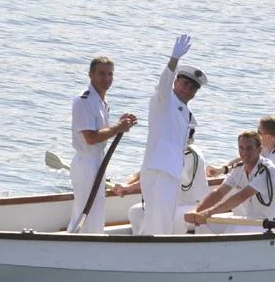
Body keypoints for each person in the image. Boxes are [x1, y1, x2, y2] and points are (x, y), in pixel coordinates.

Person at [140, 34, 208, 235]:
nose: (188, 89)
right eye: (185, 83)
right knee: (159, 219)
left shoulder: (186, 113)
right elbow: (164, 82)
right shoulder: (164, 101)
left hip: (171, 172)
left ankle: (146, 251)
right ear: (176, 82)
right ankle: (151, 254)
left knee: (160, 217)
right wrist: (173, 59)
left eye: (193, 87)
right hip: (159, 169)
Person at [67, 56, 137, 233]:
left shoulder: (101, 103)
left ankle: (92, 241)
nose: (107, 79)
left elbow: (102, 132)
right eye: (101, 74)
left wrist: (119, 125)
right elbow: (90, 138)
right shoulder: (84, 101)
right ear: (91, 75)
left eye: (110, 74)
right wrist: (117, 128)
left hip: (98, 162)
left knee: (96, 210)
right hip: (86, 163)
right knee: (85, 211)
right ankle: (75, 244)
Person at [185, 130, 275, 233]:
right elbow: (219, 193)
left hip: (272, 223)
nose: (244, 153)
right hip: (248, 219)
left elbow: (241, 196)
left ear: (259, 149)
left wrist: (208, 213)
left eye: (249, 148)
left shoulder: (267, 170)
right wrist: (197, 211)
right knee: (203, 224)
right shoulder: (239, 168)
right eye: (241, 148)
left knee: (233, 229)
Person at [113, 127, 209, 234]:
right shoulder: (169, 151)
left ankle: (168, 246)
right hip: (173, 203)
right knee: (135, 212)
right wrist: (126, 184)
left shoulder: (190, 155)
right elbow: (146, 172)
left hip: (193, 204)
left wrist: (128, 188)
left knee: (171, 217)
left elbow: (157, 179)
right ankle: (140, 243)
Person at [208, 115, 275, 190]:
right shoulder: (272, 143)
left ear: (268, 137)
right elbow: (244, 158)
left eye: (259, 132)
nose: (257, 134)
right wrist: (221, 170)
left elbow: (255, 174)